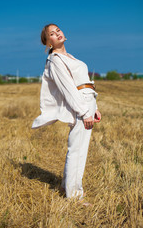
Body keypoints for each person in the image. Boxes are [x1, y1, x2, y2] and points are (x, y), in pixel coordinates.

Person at [32, 23, 101, 200]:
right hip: (80, 105)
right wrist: (84, 112)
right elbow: (68, 89)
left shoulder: (69, 57)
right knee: (77, 150)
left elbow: (83, 81)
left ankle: (65, 187)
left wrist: (94, 108)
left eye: (58, 30)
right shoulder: (55, 60)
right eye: (52, 34)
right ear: (49, 43)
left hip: (87, 101)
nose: (57, 34)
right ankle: (74, 196)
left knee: (79, 149)